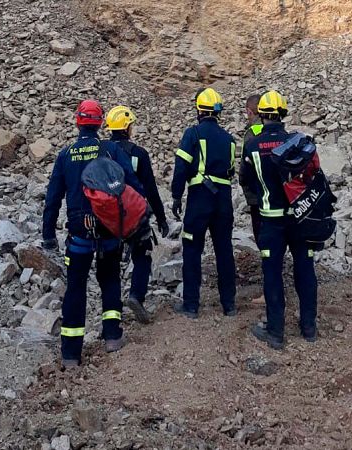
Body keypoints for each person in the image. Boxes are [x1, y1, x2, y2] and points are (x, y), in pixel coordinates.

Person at [42, 99, 146, 367]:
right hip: (108, 230)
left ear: (78, 122)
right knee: (110, 279)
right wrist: (138, 220)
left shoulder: (66, 155)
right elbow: (132, 183)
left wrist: (48, 234)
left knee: (76, 288)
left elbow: (53, 197)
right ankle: (112, 336)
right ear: (100, 123)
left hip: (78, 233)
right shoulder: (109, 149)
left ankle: (70, 354)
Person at [239, 90, 319, 350]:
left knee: (272, 273)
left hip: (270, 220)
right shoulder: (298, 141)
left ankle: (275, 332)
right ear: (284, 114)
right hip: (299, 218)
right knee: (305, 269)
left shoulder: (252, 146)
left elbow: (246, 181)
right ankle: (309, 327)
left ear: (261, 114)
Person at [170, 88, 237, 319]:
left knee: (192, 249)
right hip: (223, 200)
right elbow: (231, 171)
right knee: (224, 250)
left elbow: (181, 167)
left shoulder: (193, 133)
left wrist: (177, 196)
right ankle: (229, 305)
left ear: (199, 109)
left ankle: (191, 305)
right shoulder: (229, 139)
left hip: (200, 198)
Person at [105, 105, 169, 324]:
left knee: (110, 259)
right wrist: (161, 218)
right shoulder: (138, 154)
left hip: (106, 215)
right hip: (133, 213)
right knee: (142, 256)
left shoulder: (100, 151)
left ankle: (111, 309)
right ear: (126, 127)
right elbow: (150, 188)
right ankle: (136, 296)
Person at [241, 94, 266, 306]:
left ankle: (270, 293)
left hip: (259, 199)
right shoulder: (280, 131)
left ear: (250, 111)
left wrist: (249, 193)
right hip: (279, 199)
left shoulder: (252, 135)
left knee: (265, 245)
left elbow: (245, 171)